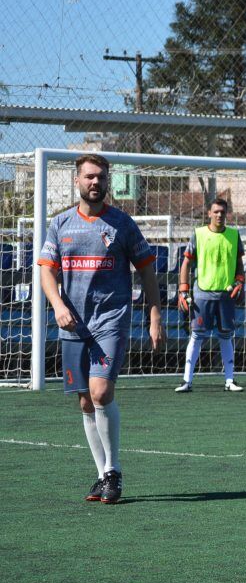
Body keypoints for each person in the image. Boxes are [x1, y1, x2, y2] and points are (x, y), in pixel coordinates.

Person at [37, 153, 164, 504]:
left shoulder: (122, 224)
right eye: (90, 177)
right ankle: (102, 475)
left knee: (101, 391)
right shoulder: (60, 224)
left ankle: (114, 470)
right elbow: (46, 270)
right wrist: (59, 306)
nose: (96, 183)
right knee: (84, 402)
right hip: (73, 323)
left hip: (111, 321)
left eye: (101, 178)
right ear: (77, 181)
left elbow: (147, 270)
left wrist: (154, 316)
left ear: (108, 182)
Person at [175, 197, 246, 392]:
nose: (219, 215)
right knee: (197, 336)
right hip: (202, 295)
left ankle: (230, 380)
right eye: (216, 212)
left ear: (226, 213)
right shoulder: (198, 234)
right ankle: (187, 381)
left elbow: (240, 263)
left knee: (226, 336)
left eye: (223, 212)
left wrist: (240, 281)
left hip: (226, 295)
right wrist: (183, 290)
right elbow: (186, 263)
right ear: (209, 213)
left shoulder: (234, 235)